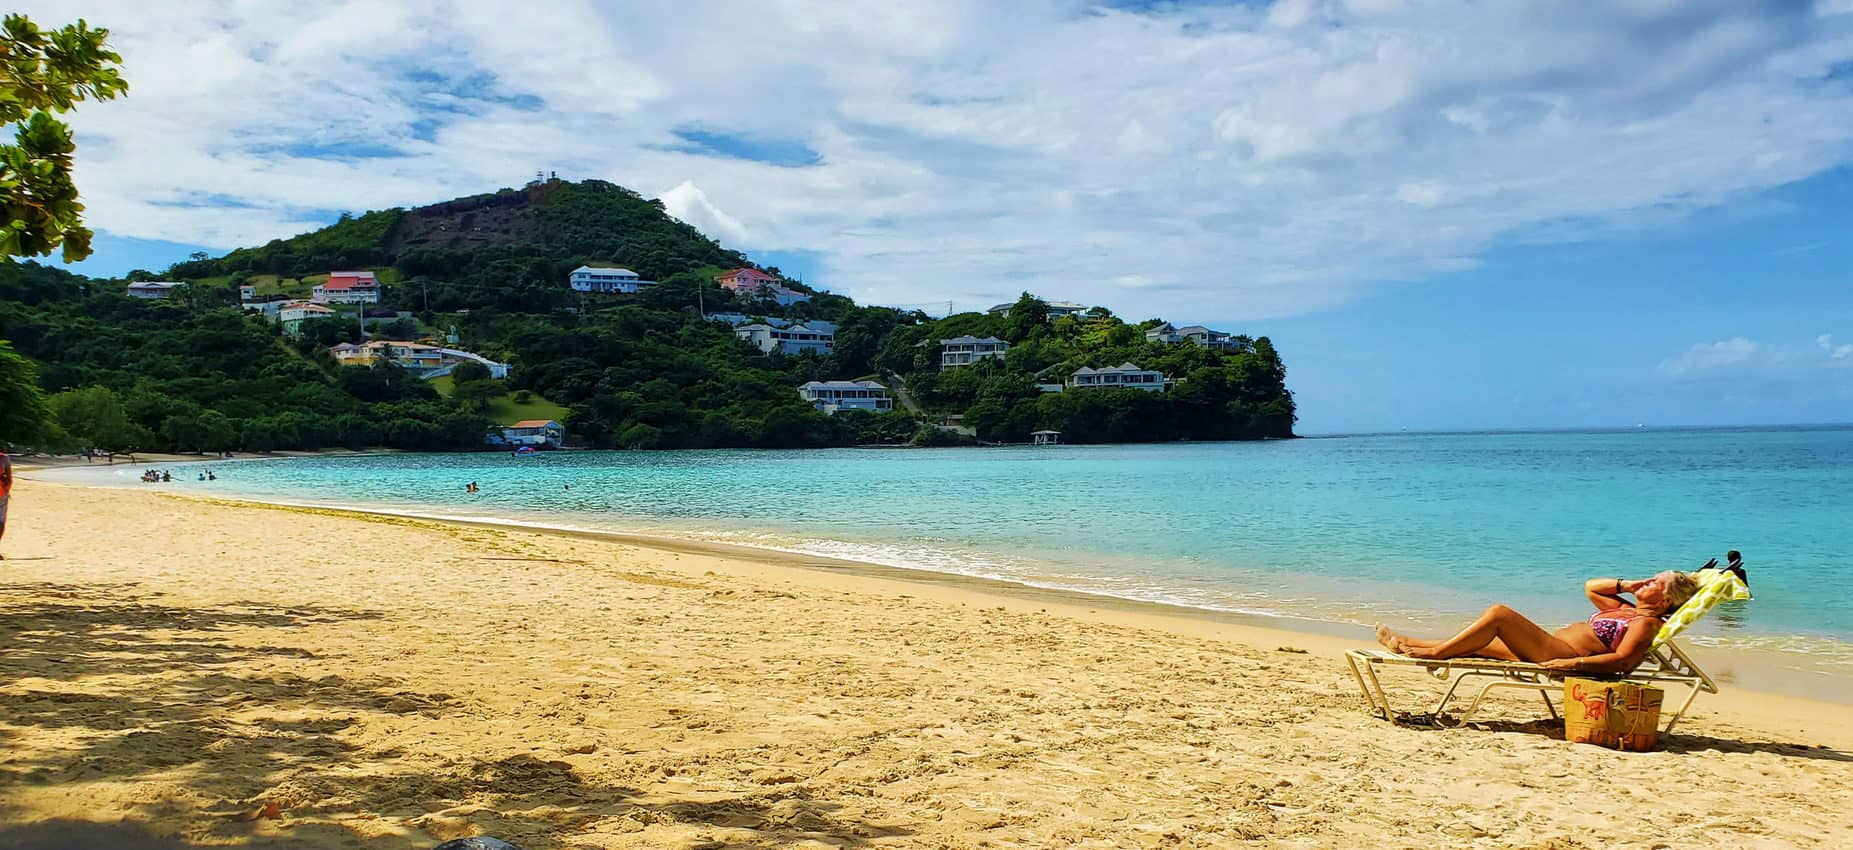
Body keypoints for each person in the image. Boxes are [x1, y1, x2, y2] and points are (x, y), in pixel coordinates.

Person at [1376, 570, 1702, 675]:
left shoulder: (1646, 624)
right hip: (1550, 647)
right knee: (1481, 645)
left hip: (1555, 654)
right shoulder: (1626, 609)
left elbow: (1624, 660)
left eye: (1653, 583)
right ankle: (1407, 643)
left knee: (1500, 614)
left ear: (1665, 601)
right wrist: (1627, 585)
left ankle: (1434, 656)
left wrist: (1570, 663)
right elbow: (1591, 587)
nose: (1645, 582)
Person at [0, 450, 12, 560]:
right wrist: (7, 490)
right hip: (1, 492)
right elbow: (9, 478)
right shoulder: (4, 458)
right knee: (1, 522)